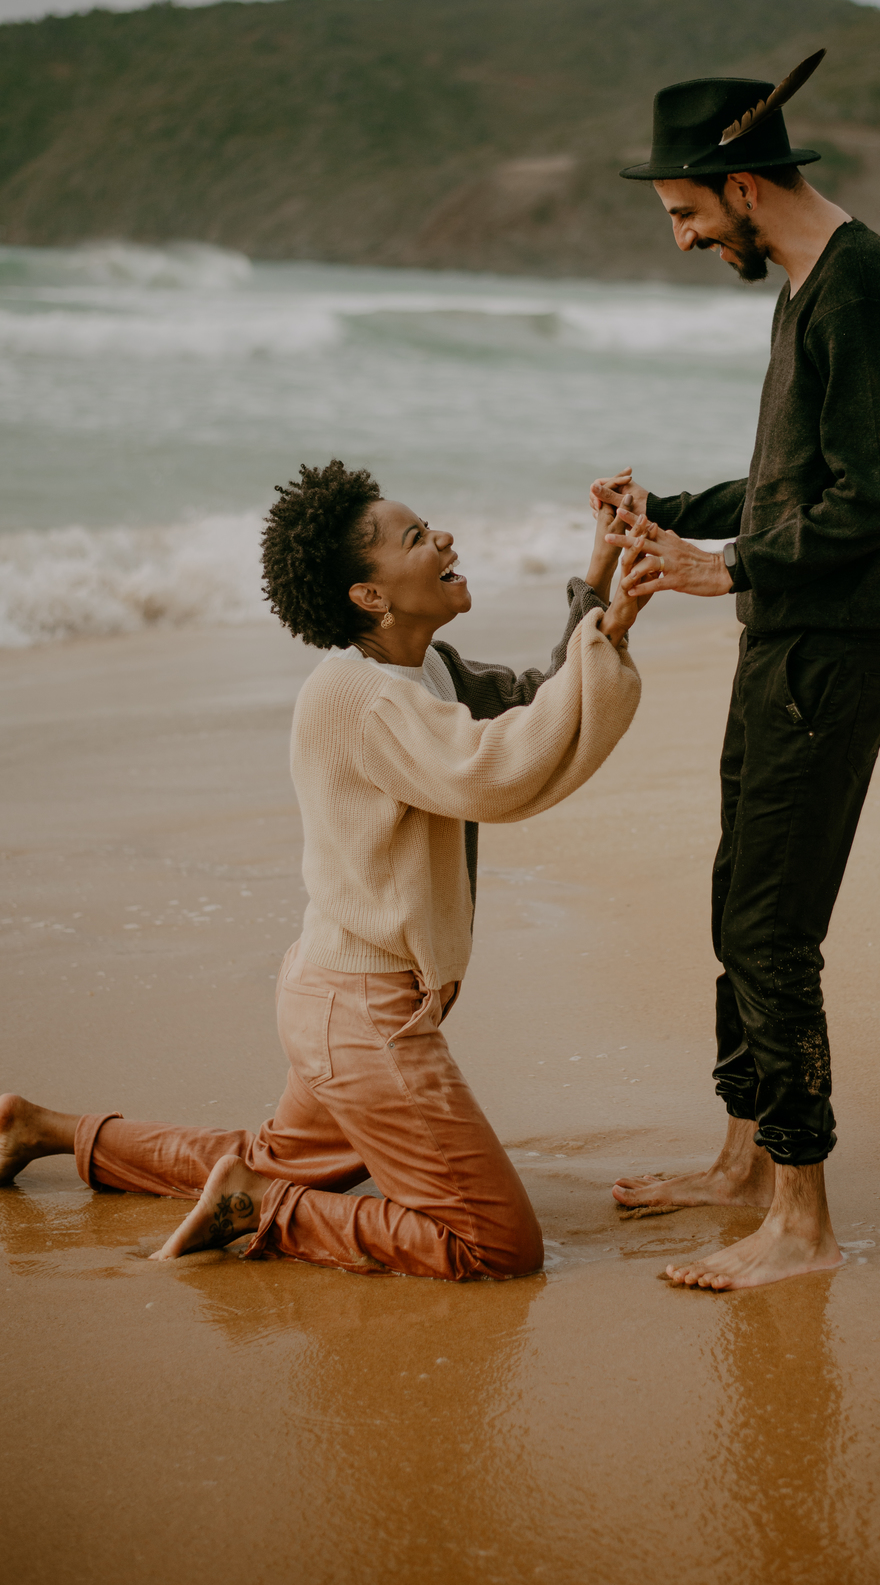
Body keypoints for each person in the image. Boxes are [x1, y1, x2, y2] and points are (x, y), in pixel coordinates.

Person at [0, 460, 644, 1280]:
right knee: (497, 1245)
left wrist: (599, 581)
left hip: (334, 998)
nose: (444, 537)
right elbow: (495, 768)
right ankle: (261, 1209)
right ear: (369, 596)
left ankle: (45, 1130)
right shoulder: (358, 698)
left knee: (262, 1153)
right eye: (415, 537)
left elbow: (530, 701)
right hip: (364, 1016)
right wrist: (605, 633)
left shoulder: (425, 671)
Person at [595, 60, 880, 1290]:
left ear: (743, 186)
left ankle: (804, 1220)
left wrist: (723, 570)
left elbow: (875, 502)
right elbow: (798, 479)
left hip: (836, 649)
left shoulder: (862, 293)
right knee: (742, 884)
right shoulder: (804, 288)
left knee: (772, 928)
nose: (685, 239)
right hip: (793, 638)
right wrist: (670, 514)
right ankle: (743, 1161)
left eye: (687, 214)